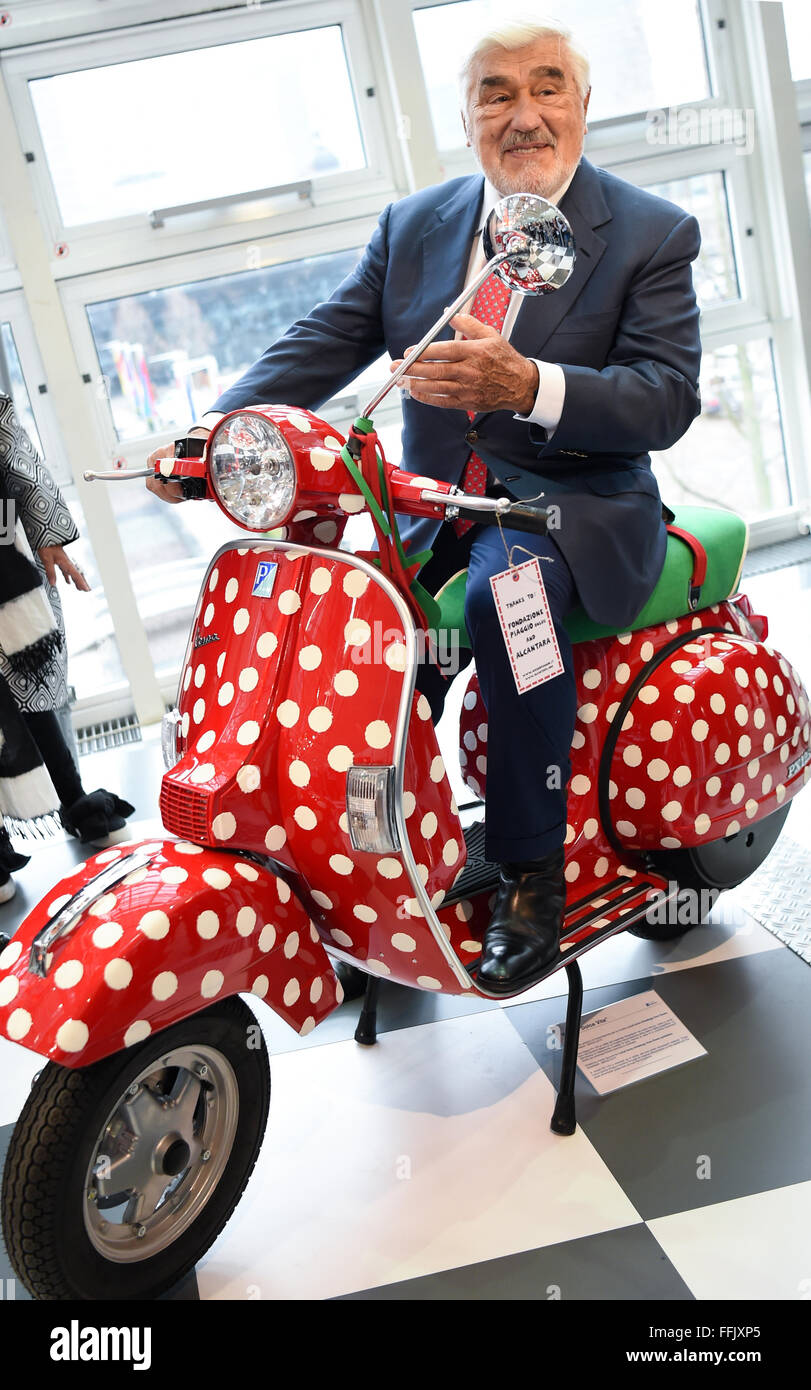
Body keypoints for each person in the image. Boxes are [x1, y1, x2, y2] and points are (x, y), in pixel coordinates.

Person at [146, 17, 701, 992]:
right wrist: (205, 434)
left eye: (546, 87)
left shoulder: (650, 232)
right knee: (343, 640)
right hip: (430, 507)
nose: (523, 113)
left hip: (572, 505)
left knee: (507, 605)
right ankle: (365, 864)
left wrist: (528, 382)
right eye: (495, 92)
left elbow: (665, 397)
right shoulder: (417, 226)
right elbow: (327, 338)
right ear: (466, 115)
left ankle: (533, 871)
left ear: (580, 103)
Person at [0, 393, 134, 902]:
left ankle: (75, 803)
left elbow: (15, 457)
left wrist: (44, 533)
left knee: (32, 688)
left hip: (2, 561)